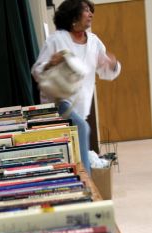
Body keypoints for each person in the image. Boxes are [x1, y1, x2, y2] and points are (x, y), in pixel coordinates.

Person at [31, 0, 121, 174]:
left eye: (91, 11)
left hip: (80, 108)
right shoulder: (57, 39)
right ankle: (87, 185)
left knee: (73, 153)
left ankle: (81, 183)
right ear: (73, 16)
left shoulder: (94, 42)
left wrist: (112, 64)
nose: (91, 14)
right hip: (57, 105)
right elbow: (36, 71)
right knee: (82, 128)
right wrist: (50, 63)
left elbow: (106, 73)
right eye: (86, 10)